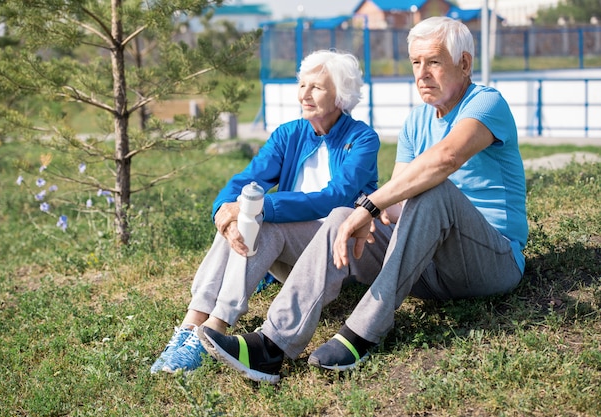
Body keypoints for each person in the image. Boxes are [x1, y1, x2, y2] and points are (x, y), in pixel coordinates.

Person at [199, 16, 528, 384]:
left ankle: (362, 332)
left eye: (434, 62)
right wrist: (367, 213)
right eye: (416, 63)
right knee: (342, 215)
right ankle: (272, 346)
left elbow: (445, 160)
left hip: (490, 262)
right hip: (426, 266)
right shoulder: (416, 121)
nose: (422, 74)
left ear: (464, 64)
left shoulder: (486, 103)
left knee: (432, 188)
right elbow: (396, 200)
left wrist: (369, 205)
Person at [150, 50, 381, 374]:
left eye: (316, 87)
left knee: (262, 219)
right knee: (244, 218)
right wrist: (224, 213)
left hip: (336, 258)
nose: (305, 93)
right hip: (291, 258)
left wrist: (256, 208)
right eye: (302, 84)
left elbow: (337, 197)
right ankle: (191, 326)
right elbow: (245, 181)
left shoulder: (362, 139)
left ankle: (211, 330)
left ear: (340, 94)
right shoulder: (289, 134)